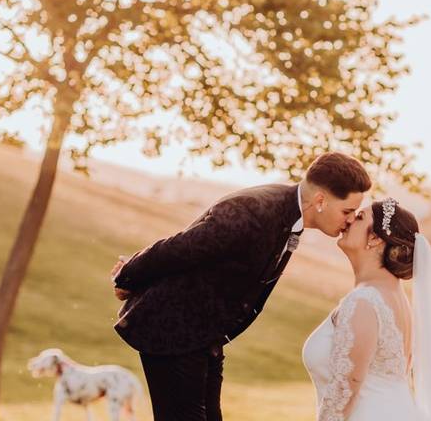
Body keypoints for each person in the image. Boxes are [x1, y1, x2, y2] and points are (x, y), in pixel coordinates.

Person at [110, 152, 371, 421]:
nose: (350, 220)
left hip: (205, 339)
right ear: (320, 200)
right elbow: (182, 247)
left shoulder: (289, 218)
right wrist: (128, 276)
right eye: (347, 211)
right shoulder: (254, 210)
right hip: (171, 333)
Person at [302, 197, 431, 421]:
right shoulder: (392, 296)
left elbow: (346, 391)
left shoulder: (364, 301)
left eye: (359, 217)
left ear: (375, 238)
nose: (348, 220)